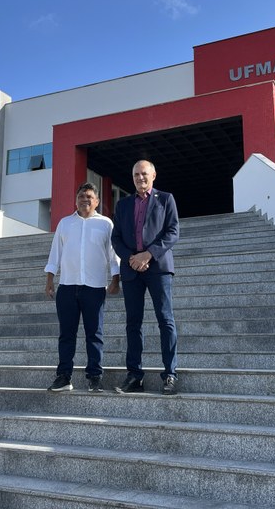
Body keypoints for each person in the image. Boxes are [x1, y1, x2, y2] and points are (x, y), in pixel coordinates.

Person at [111, 160, 180, 395]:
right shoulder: (123, 205)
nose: (140, 178)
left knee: (165, 319)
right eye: (136, 175)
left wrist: (148, 254)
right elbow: (116, 238)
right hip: (132, 269)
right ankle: (134, 376)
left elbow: (173, 231)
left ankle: (170, 374)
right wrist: (131, 258)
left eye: (144, 174)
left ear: (153, 175)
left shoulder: (166, 199)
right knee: (133, 323)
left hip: (158, 268)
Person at [45, 182, 120, 392]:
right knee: (66, 334)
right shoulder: (65, 223)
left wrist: (116, 279)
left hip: (94, 287)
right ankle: (63, 377)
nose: (84, 200)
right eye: (81, 196)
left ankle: (95, 377)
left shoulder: (106, 224)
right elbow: (55, 253)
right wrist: (50, 280)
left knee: (94, 334)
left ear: (97, 201)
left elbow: (113, 254)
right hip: (67, 286)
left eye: (89, 197)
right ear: (75, 200)